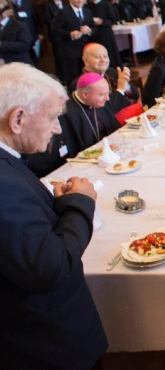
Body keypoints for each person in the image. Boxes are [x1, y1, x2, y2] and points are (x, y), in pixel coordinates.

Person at [0, 63, 108, 368]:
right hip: (47, 346)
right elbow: (51, 267)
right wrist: (79, 203)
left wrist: (60, 206)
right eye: (51, 118)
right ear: (18, 119)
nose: (58, 129)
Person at [62, 73, 120, 158]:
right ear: (85, 94)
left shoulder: (100, 102)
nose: (107, 98)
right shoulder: (67, 113)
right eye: (102, 95)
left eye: (108, 93)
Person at [73, 42, 137, 115]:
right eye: (97, 57)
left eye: (105, 56)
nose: (103, 60)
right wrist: (121, 89)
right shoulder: (79, 84)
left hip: (131, 115)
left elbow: (135, 95)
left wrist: (127, 85)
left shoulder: (111, 72)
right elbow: (102, 112)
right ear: (85, 60)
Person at [51, 0, 97, 86]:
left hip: (85, 50)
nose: (80, 0)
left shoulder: (87, 12)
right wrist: (70, 34)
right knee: (73, 77)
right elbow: (55, 30)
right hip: (69, 50)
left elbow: (94, 28)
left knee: (86, 75)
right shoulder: (63, 12)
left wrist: (89, 30)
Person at [85, 0, 122, 68]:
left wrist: (101, 21)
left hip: (106, 34)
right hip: (94, 35)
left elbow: (112, 20)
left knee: (109, 55)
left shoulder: (106, 5)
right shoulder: (87, 7)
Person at [0, 0, 34, 65]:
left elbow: (25, 45)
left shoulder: (19, 25)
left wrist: (1, 44)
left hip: (19, 65)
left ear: (7, 11)